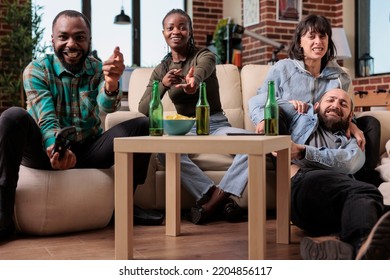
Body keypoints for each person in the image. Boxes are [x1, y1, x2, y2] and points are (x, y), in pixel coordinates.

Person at [0, 10, 164, 241]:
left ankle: (126, 206)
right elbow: (46, 118)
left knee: (141, 124)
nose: (71, 44)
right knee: (12, 117)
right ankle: (3, 214)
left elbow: (107, 107)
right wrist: (55, 147)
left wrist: (112, 83)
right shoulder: (36, 69)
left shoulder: (97, 69)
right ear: (53, 39)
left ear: (88, 40)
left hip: (88, 149)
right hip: (45, 151)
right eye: (63, 37)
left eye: (79, 37)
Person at [138, 9, 249, 224]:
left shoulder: (204, 54)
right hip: (184, 128)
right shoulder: (162, 69)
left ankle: (212, 203)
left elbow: (203, 69)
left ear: (190, 31)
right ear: (164, 34)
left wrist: (194, 81)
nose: (176, 31)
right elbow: (143, 107)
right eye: (170, 28)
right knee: (164, 151)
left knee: (252, 146)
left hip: (216, 124)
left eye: (182, 27)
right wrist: (163, 85)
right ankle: (216, 196)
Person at [248, 14, 382, 186]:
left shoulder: (340, 76)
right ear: (299, 42)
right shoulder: (283, 68)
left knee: (371, 123)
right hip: (294, 131)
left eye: (322, 36)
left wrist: (352, 123)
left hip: (327, 131)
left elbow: (342, 108)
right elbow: (261, 99)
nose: (318, 41)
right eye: (311, 36)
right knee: (275, 116)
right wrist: (264, 117)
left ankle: (363, 178)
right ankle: (291, 176)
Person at [280, 88, 390, 259]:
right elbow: (257, 102)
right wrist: (290, 103)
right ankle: (362, 246)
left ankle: (334, 246)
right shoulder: (300, 120)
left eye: (343, 104)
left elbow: (351, 162)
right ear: (316, 106)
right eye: (330, 100)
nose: (336, 105)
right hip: (305, 185)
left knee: (370, 203)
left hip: (345, 200)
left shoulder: (352, 139)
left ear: (350, 115)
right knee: (366, 193)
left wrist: (304, 152)